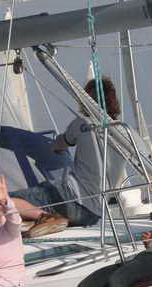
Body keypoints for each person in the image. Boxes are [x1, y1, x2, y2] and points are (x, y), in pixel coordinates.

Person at [11, 76, 129, 231]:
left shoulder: (83, 123)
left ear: (87, 100)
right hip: (92, 215)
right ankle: (43, 219)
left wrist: (54, 147)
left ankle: (45, 217)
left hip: (70, 199)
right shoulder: (127, 133)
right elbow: (148, 167)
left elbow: (61, 144)